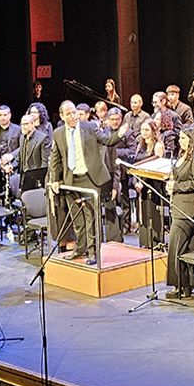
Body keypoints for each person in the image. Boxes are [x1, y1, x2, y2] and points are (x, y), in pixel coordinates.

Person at [45, 101, 130, 265]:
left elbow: (108, 140)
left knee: (91, 218)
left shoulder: (89, 127)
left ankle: (93, 252)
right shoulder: (58, 133)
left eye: (74, 112)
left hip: (89, 178)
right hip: (71, 180)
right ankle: (81, 248)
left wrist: (120, 133)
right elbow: (56, 159)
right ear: (62, 116)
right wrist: (55, 179)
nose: (73, 116)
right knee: (78, 219)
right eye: (69, 113)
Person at [162, 129, 194, 295]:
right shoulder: (182, 156)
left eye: (183, 138)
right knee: (187, 247)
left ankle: (180, 286)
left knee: (175, 246)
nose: (180, 141)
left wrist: (177, 186)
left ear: (192, 139)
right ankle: (192, 283)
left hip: (190, 208)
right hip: (179, 206)